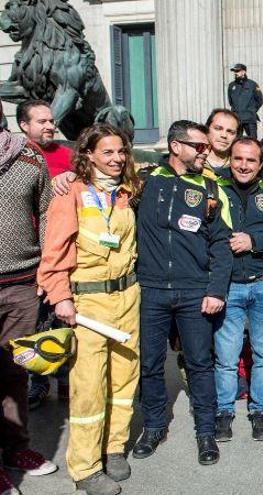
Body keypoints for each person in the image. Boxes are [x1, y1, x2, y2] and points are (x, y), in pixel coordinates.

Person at [37, 124, 141, 495]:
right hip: (88, 303)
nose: (116, 159)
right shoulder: (71, 194)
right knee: (88, 387)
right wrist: (60, 296)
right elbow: (53, 254)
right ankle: (85, 467)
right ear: (89, 155)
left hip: (128, 297)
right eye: (107, 152)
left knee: (126, 378)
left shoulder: (128, 191)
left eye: (121, 152)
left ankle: (114, 447)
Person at [132, 120, 232, 466]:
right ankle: (155, 426)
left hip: (195, 293)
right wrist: (65, 176)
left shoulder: (208, 188)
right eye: (199, 147)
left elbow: (221, 243)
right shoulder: (143, 183)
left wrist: (216, 289)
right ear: (176, 147)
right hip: (151, 290)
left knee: (200, 364)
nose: (206, 152)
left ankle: (206, 431)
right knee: (150, 364)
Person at [213, 137, 263, 443]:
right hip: (229, 285)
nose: (244, 165)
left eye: (250, 160)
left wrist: (253, 241)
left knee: (262, 352)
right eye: (238, 159)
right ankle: (223, 411)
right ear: (230, 160)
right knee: (226, 354)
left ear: (260, 164)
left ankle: (259, 409)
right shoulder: (215, 188)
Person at [0, 105, 57, 495]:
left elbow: (47, 210)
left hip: (21, 282)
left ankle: (17, 448)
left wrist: (47, 270)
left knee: (15, 371)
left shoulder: (28, 156)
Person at [16, 99, 73, 409]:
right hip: (29, 253)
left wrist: (74, 177)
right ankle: (38, 382)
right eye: (42, 122)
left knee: (63, 318)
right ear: (24, 125)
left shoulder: (67, 155)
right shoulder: (15, 157)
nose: (50, 126)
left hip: (62, 251)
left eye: (51, 121)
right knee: (35, 322)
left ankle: (65, 379)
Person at [227, 63, 263, 138]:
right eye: (234, 71)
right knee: (235, 142)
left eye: (237, 71)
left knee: (253, 141)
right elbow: (231, 102)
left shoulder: (252, 85)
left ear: (244, 72)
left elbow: (260, 101)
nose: (235, 73)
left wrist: (251, 110)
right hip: (236, 119)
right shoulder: (231, 86)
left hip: (249, 119)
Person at [204, 108, 241, 173]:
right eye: (218, 129)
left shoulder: (241, 166)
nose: (224, 135)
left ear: (237, 136)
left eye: (230, 132)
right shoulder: (194, 162)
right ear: (207, 130)